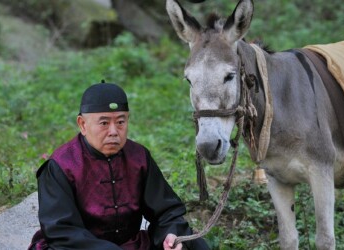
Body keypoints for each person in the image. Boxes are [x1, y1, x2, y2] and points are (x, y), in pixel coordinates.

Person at [28, 81, 210, 250]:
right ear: (82, 124)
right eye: (104, 123)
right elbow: (61, 231)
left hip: (131, 245)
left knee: (191, 243)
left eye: (121, 122)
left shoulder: (138, 157)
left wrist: (171, 234)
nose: (114, 132)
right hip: (82, 247)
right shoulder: (61, 165)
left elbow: (167, 211)